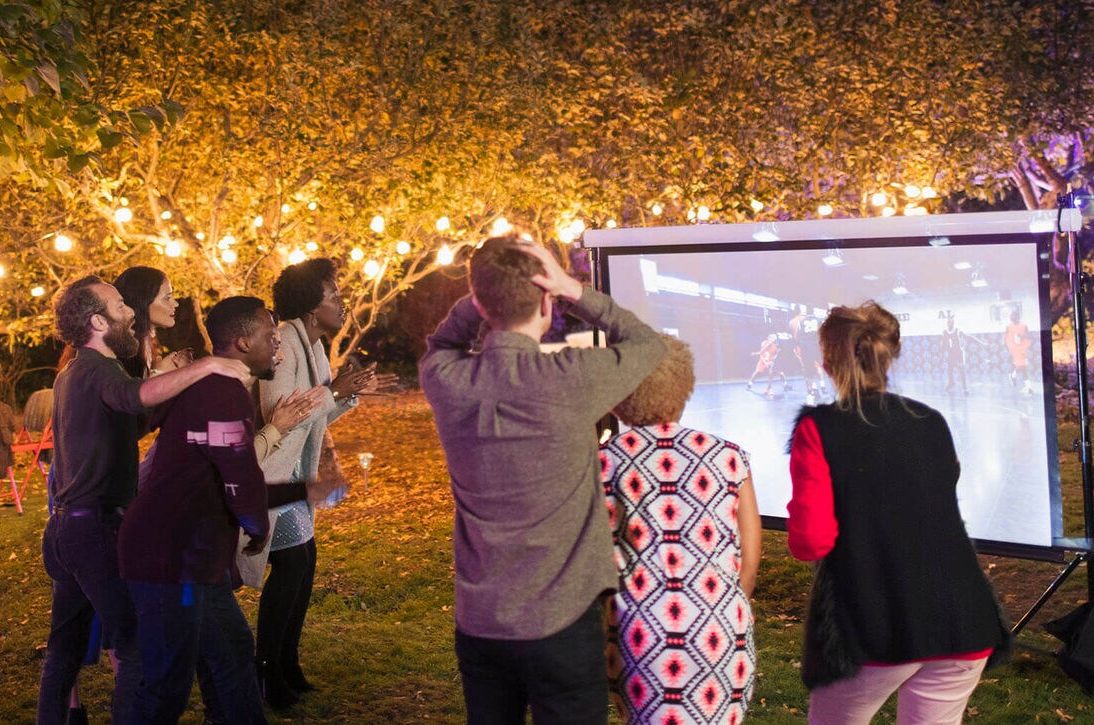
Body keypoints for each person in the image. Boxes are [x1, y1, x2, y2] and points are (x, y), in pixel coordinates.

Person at [420, 236, 666, 724]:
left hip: (481, 620)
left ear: (480, 304)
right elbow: (646, 343)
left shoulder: (446, 378)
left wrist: (482, 298)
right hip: (563, 618)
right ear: (547, 300)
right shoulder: (570, 377)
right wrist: (574, 288)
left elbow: (441, 342)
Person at [38, 275, 250, 725]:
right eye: (119, 306)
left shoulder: (75, 373)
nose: (130, 312)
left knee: (65, 651)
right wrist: (205, 367)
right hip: (94, 530)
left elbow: (125, 424)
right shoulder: (98, 369)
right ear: (98, 321)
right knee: (135, 649)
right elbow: (134, 397)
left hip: (65, 530)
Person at [788, 301, 1008, 725]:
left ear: (827, 361)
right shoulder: (932, 421)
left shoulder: (819, 429)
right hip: (962, 618)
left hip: (873, 625)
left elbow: (810, 541)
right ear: (890, 356)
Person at [119, 296, 282, 724]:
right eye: (270, 335)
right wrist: (257, 524)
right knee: (167, 684)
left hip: (192, 558)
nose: (278, 343)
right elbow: (238, 469)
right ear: (244, 343)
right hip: (170, 558)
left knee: (230, 652)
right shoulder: (223, 392)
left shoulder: (216, 388)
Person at [601, 334, 760, 725]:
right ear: (684, 386)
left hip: (639, 635)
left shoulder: (603, 461)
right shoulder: (729, 456)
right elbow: (751, 556)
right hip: (722, 627)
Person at [255, 258, 390, 709]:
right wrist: (332, 392)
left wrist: (347, 393)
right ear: (312, 307)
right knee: (292, 567)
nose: (342, 301)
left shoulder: (311, 345)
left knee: (303, 564)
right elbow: (282, 414)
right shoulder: (287, 345)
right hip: (273, 472)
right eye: (333, 294)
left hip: (296, 472)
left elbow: (317, 416)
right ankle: (268, 673)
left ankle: (287, 664)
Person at [1004, 307, 1033, 394]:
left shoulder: (1024, 326)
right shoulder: (1008, 327)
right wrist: (1008, 349)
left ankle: (1013, 375)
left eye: (1016, 316)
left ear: (1019, 317)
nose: (1014, 318)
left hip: (1022, 349)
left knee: (1021, 366)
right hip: (1014, 349)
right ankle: (1028, 387)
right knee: (1023, 367)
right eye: (1012, 316)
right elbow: (1005, 339)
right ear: (1011, 318)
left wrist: (1022, 336)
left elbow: (1029, 337)